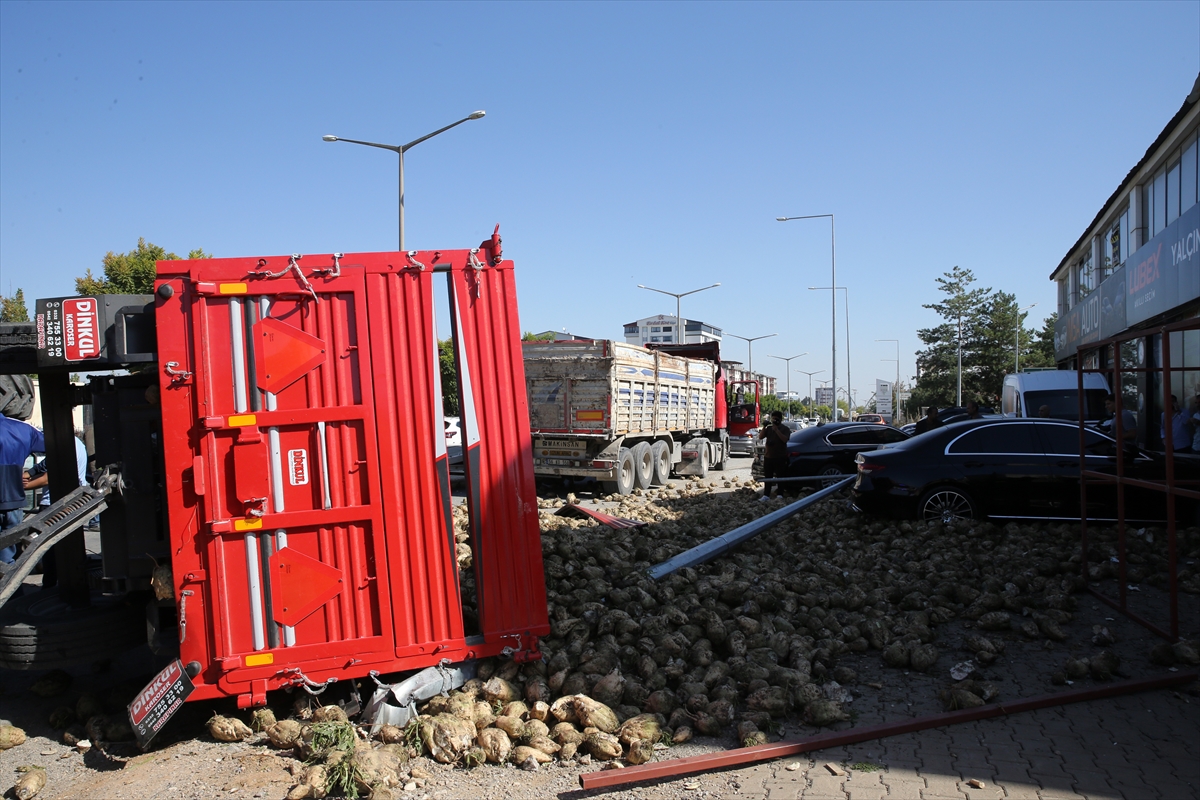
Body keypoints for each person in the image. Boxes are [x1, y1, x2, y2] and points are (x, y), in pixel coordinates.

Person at [1, 413, 45, 564]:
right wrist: (33, 472)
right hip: (14, 500)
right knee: (9, 557)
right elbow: (54, 446)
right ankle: (13, 587)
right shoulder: (24, 430)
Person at [758, 411, 791, 498]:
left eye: (776, 419)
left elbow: (785, 439)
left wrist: (777, 430)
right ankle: (766, 495)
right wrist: (764, 426)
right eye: (773, 419)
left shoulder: (785, 429)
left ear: (780, 419)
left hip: (780, 457)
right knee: (768, 477)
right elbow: (760, 437)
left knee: (780, 476)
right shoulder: (769, 428)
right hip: (768, 456)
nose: (774, 421)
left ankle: (780, 494)